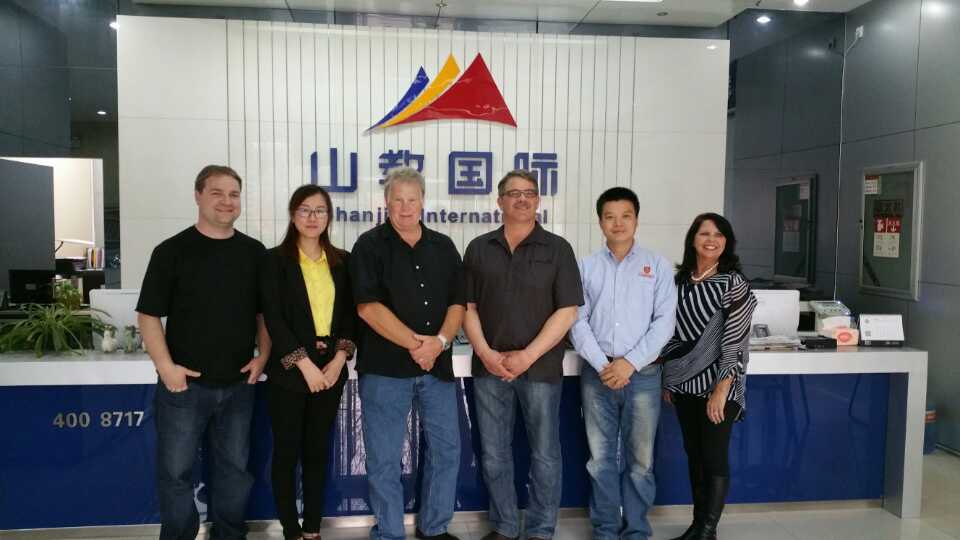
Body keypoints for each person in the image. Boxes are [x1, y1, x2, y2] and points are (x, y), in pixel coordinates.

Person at [137, 165, 270, 540]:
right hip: (184, 387)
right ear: (198, 196)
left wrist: (263, 356)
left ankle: (229, 535)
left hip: (239, 385)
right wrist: (166, 368)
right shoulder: (171, 251)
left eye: (234, 194)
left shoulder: (254, 253)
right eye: (217, 193)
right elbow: (148, 315)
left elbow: (264, 314)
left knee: (234, 472)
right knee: (175, 472)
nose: (227, 202)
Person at [463, 169, 583, 540]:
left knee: (545, 454)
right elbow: (467, 307)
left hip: (540, 369)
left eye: (529, 192)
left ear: (538, 200)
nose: (522, 199)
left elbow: (568, 311)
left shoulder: (558, 249)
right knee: (494, 453)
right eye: (513, 193)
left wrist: (527, 356)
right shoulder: (479, 248)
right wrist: (486, 353)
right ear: (499, 201)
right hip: (490, 369)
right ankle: (503, 526)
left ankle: (541, 530)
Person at [349, 167, 466, 540]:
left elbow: (458, 303)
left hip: (437, 369)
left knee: (447, 451)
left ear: (422, 202)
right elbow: (368, 307)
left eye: (411, 199)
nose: (405, 207)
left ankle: (434, 528)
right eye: (397, 200)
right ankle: (389, 532)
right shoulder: (369, 246)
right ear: (386, 203)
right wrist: (419, 346)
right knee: (384, 458)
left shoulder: (443, 246)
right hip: (385, 371)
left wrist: (440, 342)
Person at [570, 187, 677, 540]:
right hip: (597, 374)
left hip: (643, 375)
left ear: (636, 220)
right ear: (600, 221)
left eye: (625, 216)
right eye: (610, 217)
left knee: (640, 462)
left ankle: (636, 531)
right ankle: (605, 530)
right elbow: (576, 320)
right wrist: (604, 364)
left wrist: (628, 363)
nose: (618, 223)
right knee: (600, 460)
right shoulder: (585, 267)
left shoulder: (658, 266)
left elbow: (664, 323)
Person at [259, 184, 357, 540]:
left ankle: (313, 528)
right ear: (292, 214)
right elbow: (273, 318)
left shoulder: (343, 261)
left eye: (320, 210)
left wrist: (339, 359)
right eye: (305, 210)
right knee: (286, 453)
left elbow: (351, 315)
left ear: (329, 216)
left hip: (330, 371)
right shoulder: (274, 261)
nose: (312, 217)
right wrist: (303, 364)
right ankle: (290, 529)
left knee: (317, 451)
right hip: (289, 373)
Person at [660, 213, 757, 540]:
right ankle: (699, 527)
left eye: (718, 235)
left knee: (714, 457)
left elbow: (735, 341)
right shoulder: (680, 281)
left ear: (727, 242)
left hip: (719, 385)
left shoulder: (733, 283)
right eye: (704, 234)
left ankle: (706, 529)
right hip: (684, 384)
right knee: (695, 456)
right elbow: (671, 334)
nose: (711, 240)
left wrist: (721, 389)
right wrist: (670, 379)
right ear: (693, 239)